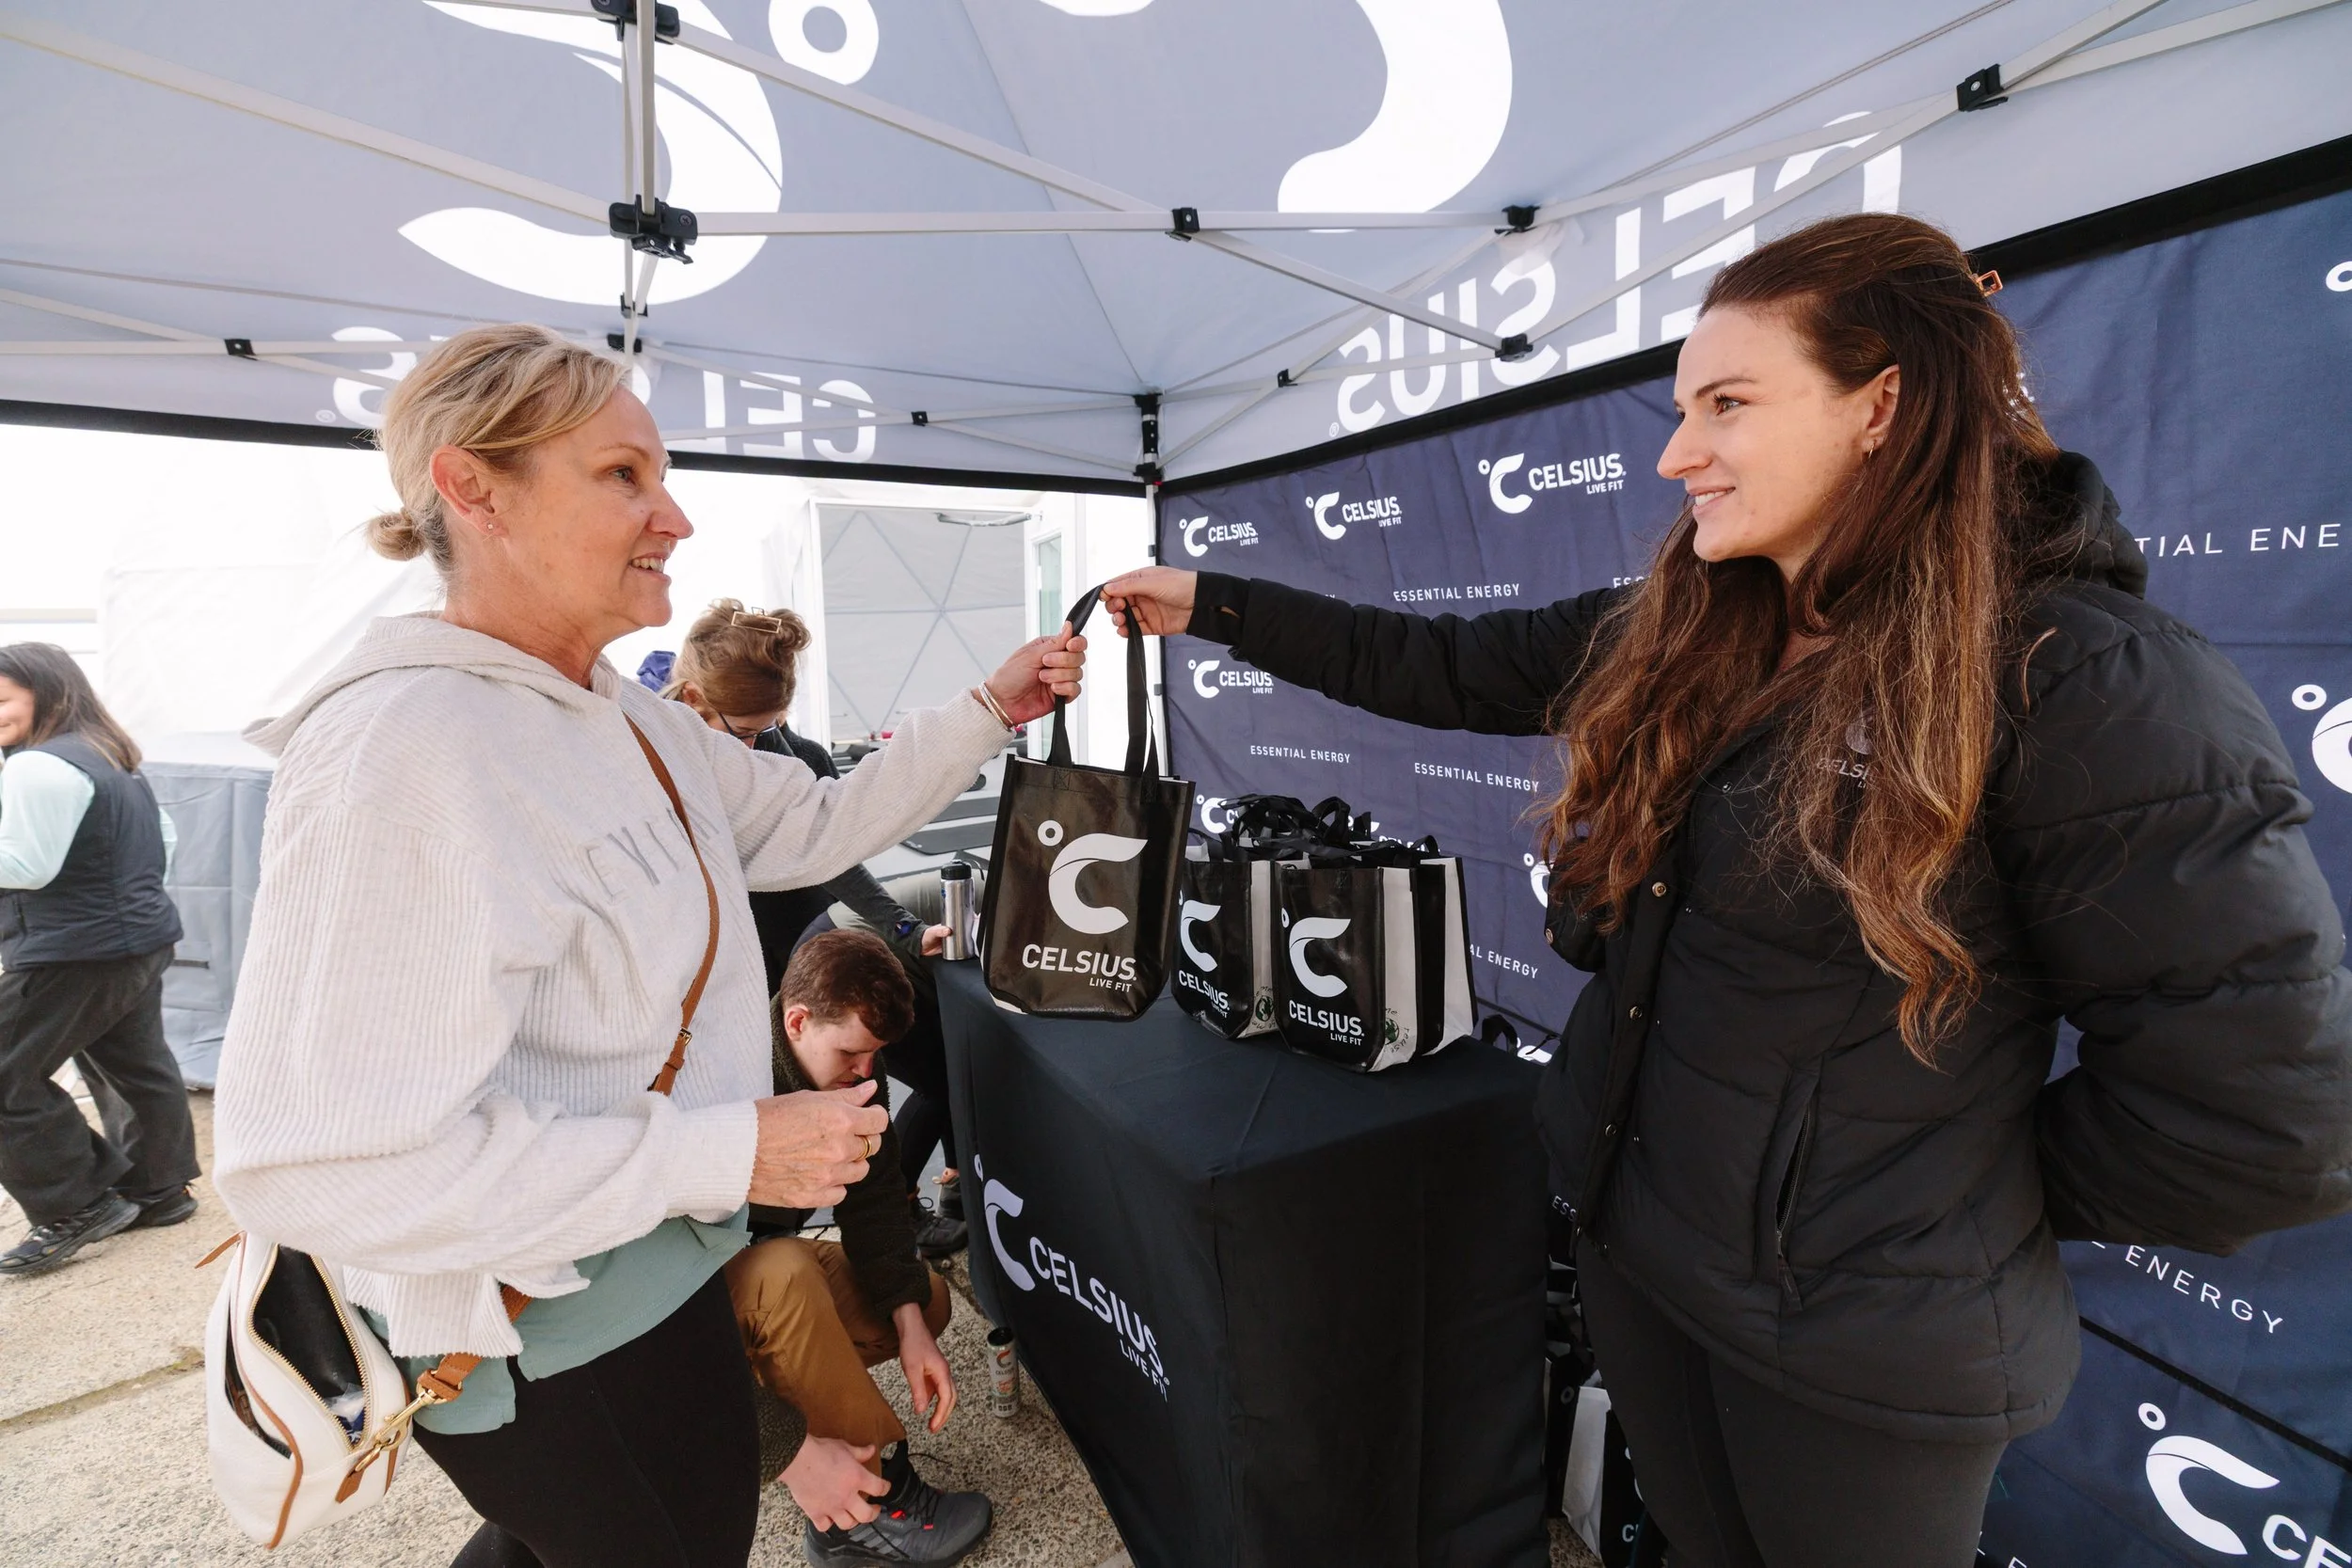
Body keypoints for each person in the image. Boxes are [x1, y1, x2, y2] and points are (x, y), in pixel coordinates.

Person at [1103, 213, 2352, 1568]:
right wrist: (1211, 603)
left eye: (1728, 403)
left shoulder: (2082, 677)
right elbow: (1446, 665)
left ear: (1883, 405)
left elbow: (2267, 1110)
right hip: (1649, 1264)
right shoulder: (1707, 619)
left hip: (1861, 1356)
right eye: (1683, 402)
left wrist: (1939, 1191)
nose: (1675, 449)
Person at [211, 323, 1083, 1568]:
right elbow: (324, 1162)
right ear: (473, 487)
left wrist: (990, 708)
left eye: (660, 475)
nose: (672, 515)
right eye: (623, 474)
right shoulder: (404, 745)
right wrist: (738, 1141)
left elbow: (819, 816)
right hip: (540, 1333)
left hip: (656, 1270)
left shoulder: (620, 713)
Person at [664, 599, 968, 1259]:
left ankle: (891, 1224)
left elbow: (838, 858)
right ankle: (756, 1256)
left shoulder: (792, 755)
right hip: (712, 991)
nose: (757, 748)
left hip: (798, 961)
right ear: (691, 699)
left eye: (770, 729)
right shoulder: (649, 765)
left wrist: (906, 928)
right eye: (743, 732)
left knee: (858, 1094)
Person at [726, 929, 989, 1565]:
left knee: (922, 1300)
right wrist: (780, 1445)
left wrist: (909, 1326)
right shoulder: (724, 1077)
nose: (866, 1071)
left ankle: (803, 1388)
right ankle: (864, 1511)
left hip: (747, 1283)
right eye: (852, 1051)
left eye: (876, 1055)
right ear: (796, 1021)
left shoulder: (853, 1073)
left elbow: (874, 1204)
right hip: (678, 1312)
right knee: (785, 1272)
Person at [0, 642, 200, 1277]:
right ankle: (158, 1191)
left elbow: (26, 867)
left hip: (73, 949)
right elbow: (165, 841)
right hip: (137, 939)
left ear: (48, 692)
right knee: (134, 1067)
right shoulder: (115, 757)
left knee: (6, 1076)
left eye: (3, 698)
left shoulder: (36, 767)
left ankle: (76, 1204)